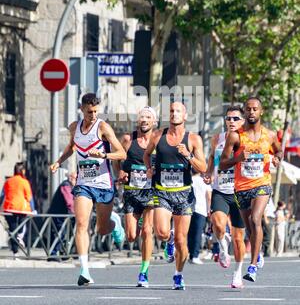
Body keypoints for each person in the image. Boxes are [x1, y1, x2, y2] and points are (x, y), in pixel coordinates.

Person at [50, 93, 126, 286]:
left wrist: (103, 154)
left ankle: (114, 224)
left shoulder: (102, 127)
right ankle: (84, 269)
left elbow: (121, 152)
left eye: (95, 111)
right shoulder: (74, 127)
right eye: (89, 111)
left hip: (103, 184)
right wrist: (58, 162)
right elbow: (71, 147)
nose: (93, 115)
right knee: (82, 223)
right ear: (82, 109)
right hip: (83, 183)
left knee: (101, 229)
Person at [144, 101, 207, 290]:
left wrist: (188, 155)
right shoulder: (157, 136)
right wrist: (149, 168)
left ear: (185, 116)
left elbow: (203, 168)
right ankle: (168, 239)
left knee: (182, 240)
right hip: (162, 192)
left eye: (178, 111)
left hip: (184, 194)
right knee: (162, 232)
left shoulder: (193, 139)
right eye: (171, 111)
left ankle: (178, 274)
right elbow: (147, 155)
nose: (174, 114)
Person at [220, 96, 282, 282]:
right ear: (245, 112)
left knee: (256, 219)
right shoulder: (236, 136)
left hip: (262, 184)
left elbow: (279, 150)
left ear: (261, 111)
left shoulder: (269, 135)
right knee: (250, 229)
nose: (252, 112)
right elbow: (222, 164)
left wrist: (277, 158)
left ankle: (253, 266)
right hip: (241, 188)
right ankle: (258, 252)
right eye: (248, 109)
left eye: (255, 109)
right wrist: (237, 159)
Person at [204, 106, 246, 289]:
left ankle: (237, 274)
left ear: (243, 121)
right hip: (220, 189)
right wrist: (208, 172)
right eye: (228, 118)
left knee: (238, 238)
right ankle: (222, 244)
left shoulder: (248, 140)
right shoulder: (217, 138)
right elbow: (213, 157)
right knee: (218, 224)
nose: (231, 121)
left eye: (236, 118)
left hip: (240, 192)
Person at [116, 106, 157, 288]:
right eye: (142, 117)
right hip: (132, 191)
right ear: (137, 120)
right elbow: (116, 159)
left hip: (150, 191)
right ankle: (123, 227)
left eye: (148, 117)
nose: (145, 120)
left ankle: (144, 272)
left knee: (147, 231)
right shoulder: (127, 139)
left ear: (154, 122)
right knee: (132, 236)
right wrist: (121, 172)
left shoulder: (159, 141)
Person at [2, 162, 34, 257]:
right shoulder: (24, 182)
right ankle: (20, 237)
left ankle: (15, 252)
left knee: (13, 230)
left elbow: (2, 195)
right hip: (21, 208)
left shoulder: (8, 181)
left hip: (9, 208)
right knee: (21, 228)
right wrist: (33, 209)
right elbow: (29, 198)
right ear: (22, 171)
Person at [47, 171, 77, 261]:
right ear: (71, 178)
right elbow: (70, 202)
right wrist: (76, 212)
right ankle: (52, 254)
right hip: (57, 214)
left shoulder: (71, 186)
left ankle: (62, 253)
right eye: (76, 179)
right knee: (59, 233)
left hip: (63, 215)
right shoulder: (66, 185)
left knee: (64, 234)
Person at [188, 171, 211, 265]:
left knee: (190, 233)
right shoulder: (204, 180)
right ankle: (195, 256)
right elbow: (209, 196)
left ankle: (190, 255)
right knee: (198, 233)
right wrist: (209, 209)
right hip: (201, 209)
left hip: (190, 208)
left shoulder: (190, 179)